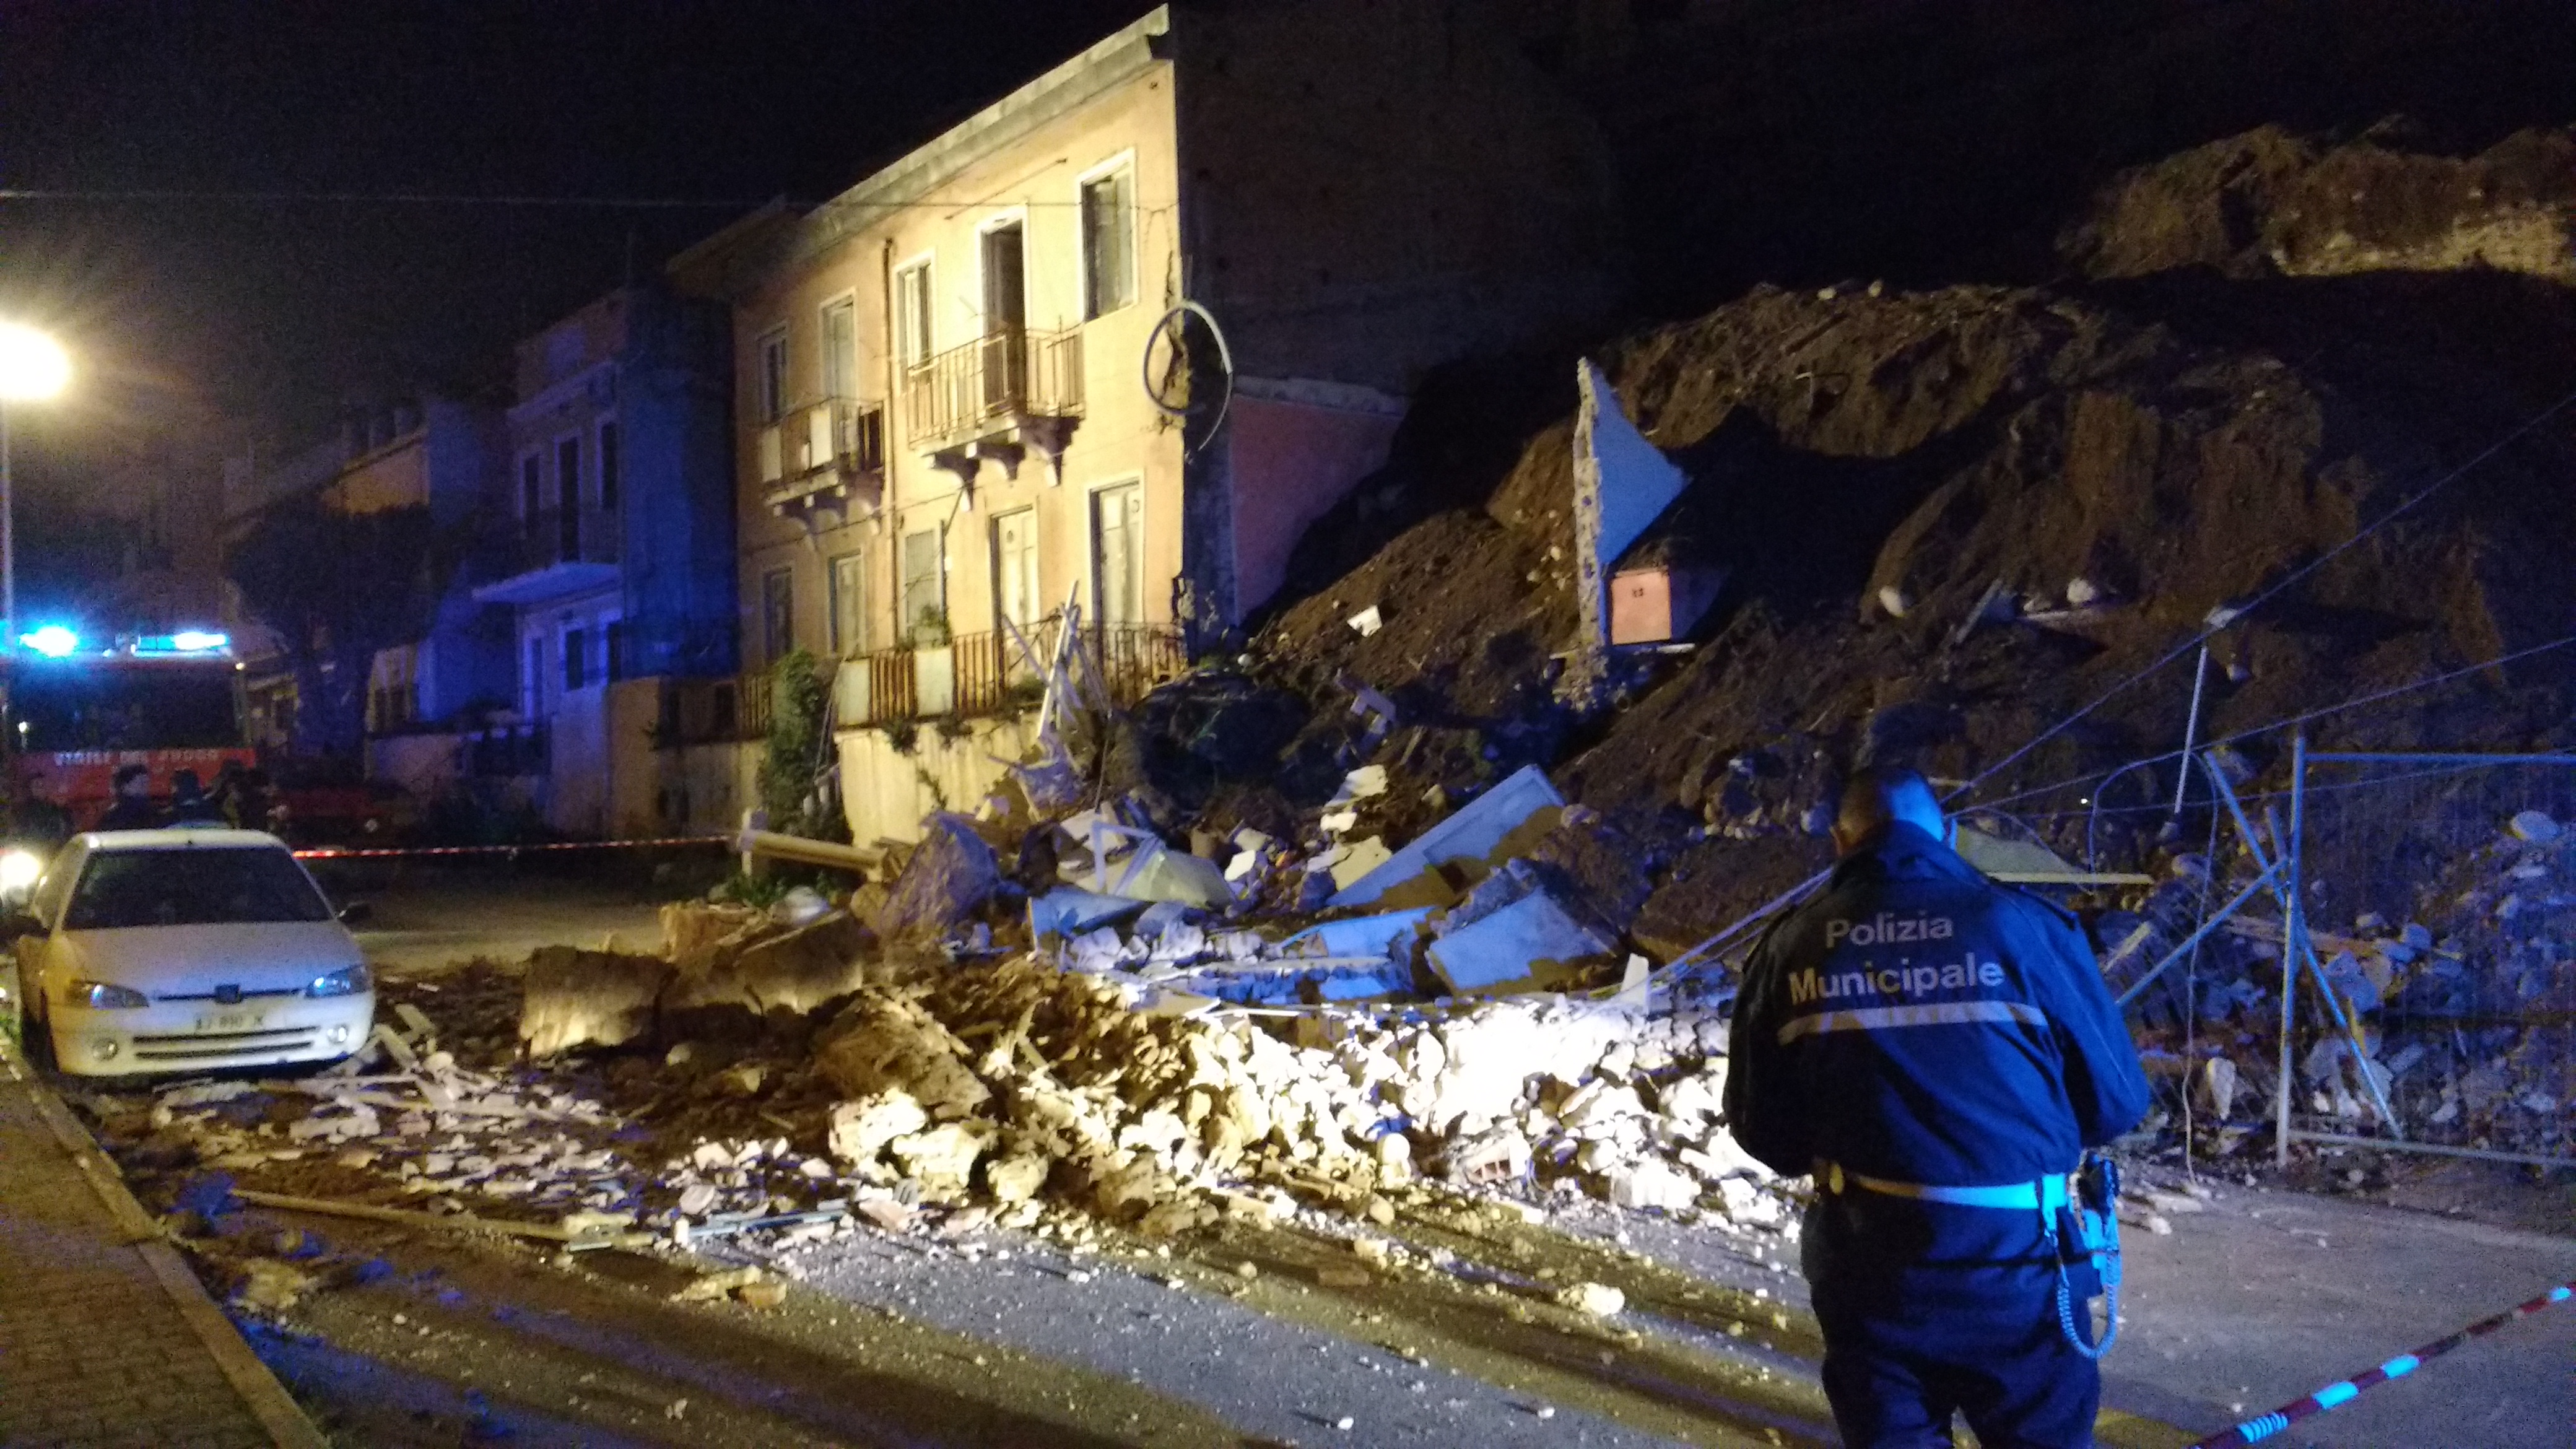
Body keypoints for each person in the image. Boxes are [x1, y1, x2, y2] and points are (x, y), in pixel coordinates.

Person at [1725, 765, 2149, 1448]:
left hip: (1867, 1268)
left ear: (1840, 841)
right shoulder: (2021, 927)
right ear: (1948, 834)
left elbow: (1762, 1131)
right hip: (2015, 1267)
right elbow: (2115, 1102)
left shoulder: (1790, 945)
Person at [96, 764, 161, 831]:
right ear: (125, 786)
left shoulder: (151, 810)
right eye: (141, 783)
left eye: (147, 783)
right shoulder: (115, 816)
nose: (145, 787)